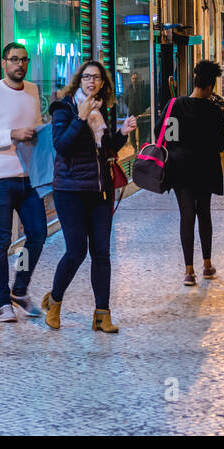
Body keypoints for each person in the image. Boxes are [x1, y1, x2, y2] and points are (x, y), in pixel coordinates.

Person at [42, 60, 136, 333]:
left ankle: (102, 314)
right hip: (70, 191)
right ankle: (55, 301)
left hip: (100, 190)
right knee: (76, 251)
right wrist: (80, 117)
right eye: (86, 77)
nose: (91, 81)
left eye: (96, 78)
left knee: (101, 253)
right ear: (78, 80)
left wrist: (122, 134)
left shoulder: (102, 109)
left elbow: (106, 150)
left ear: (103, 83)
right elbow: (61, 145)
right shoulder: (63, 107)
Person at [0, 42, 47, 323]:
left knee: (38, 234)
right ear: (4, 63)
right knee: (0, 242)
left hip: (28, 179)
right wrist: (11, 134)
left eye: (24, 60)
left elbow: (34, 129)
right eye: (14, 59)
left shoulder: (33, 91)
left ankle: (20, 288)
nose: (20, 65)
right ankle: (3, 303)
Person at [165, 59, 224, 286]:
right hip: (205, 169)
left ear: (195, 80)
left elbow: (163, 134)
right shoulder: (213, 110)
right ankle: (207, 265)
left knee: (186, 216)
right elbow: (220, 143)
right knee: (204, 215)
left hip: (180, 170)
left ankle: (188, 271)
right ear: (211, 87)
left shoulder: (175, 105)